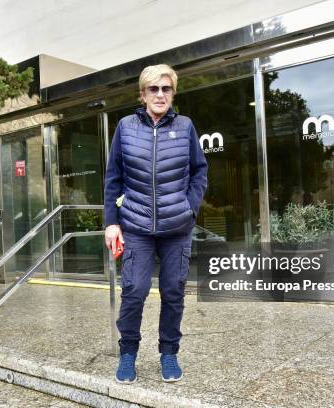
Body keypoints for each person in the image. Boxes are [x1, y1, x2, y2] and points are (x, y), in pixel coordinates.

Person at [103, 64, 208, 384]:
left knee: (173, 291)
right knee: (134, 290)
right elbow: (113, 178)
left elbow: (199, 172)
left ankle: (169, 353)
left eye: (166, 89)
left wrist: (190, 208)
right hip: (135, 225)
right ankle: (128, 353)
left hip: (177, 227)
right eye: (154, 89)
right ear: (142, 94)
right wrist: (111, 222)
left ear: (173, 93)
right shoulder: (125, 126)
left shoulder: (186, 126)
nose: (160, 95)